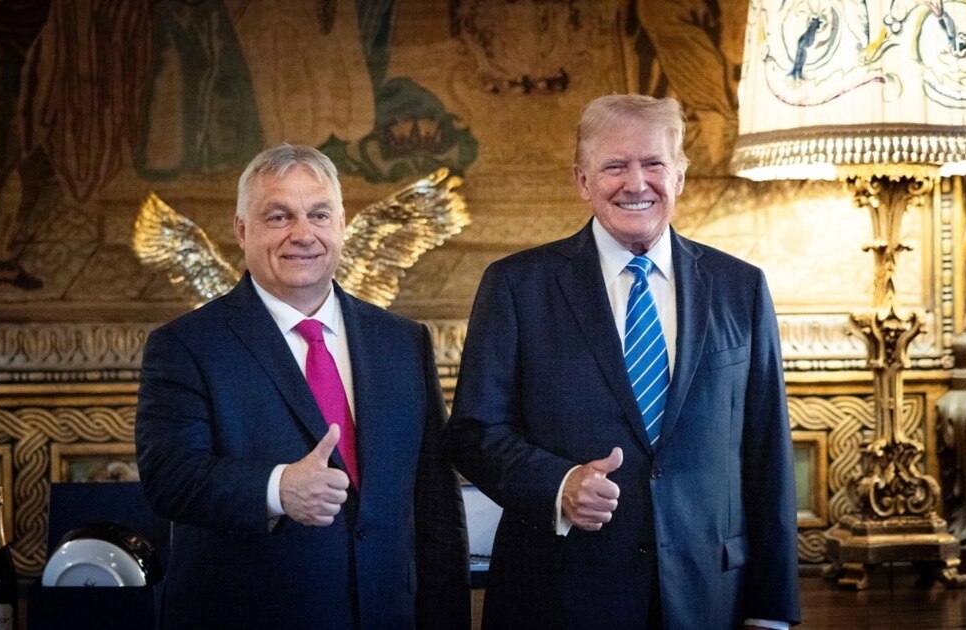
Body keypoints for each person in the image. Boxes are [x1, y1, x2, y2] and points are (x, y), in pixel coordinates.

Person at [445, 94, 800, 629]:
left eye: (654, 163)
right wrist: (560, 485)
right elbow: (474, 433)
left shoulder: (741, 288)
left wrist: (771, 612)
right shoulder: (516, 286)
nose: (636, 184)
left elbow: (767, 453)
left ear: (679, 176)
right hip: (559, 597)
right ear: (582, 181)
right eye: (615, 166)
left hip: (708, 597)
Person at [136, 143, 471, 629]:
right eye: (279, 217)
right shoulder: (186, 345)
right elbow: (169, 478)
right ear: (241, 230)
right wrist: (278, 489)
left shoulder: (402, 341)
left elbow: (436, 505)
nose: (303, 234)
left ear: (341, 225)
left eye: (319, 215)